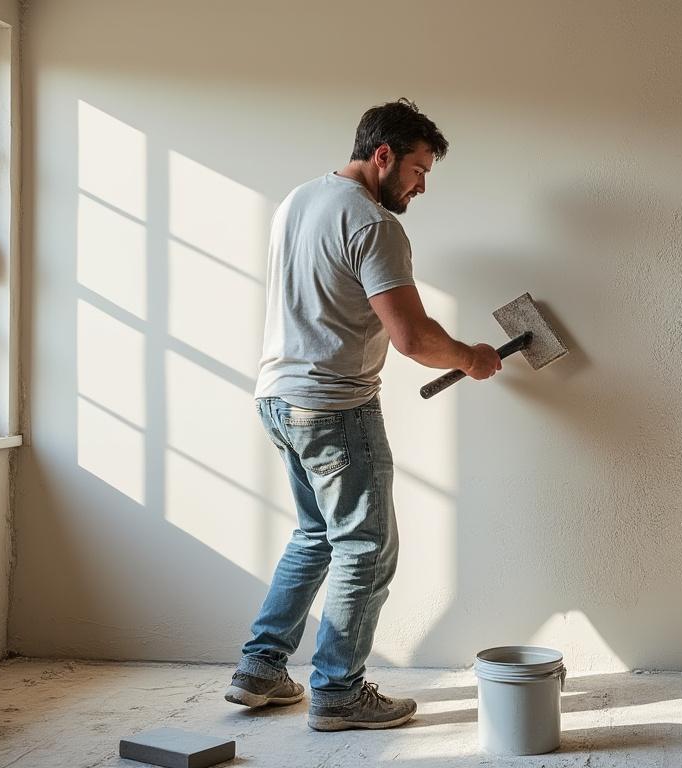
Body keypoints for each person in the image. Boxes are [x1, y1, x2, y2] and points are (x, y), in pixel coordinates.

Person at [225, 99, 501, 731]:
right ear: (384, 157)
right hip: (333, 406)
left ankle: (262, 668)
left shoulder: (301, 199)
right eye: (418, 169)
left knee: (317, 536)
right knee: (367, 548)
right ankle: (340, 691)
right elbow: (409, 336)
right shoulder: (374, 224)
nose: (422, 185)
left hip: (278, 397)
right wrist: (472, 357)